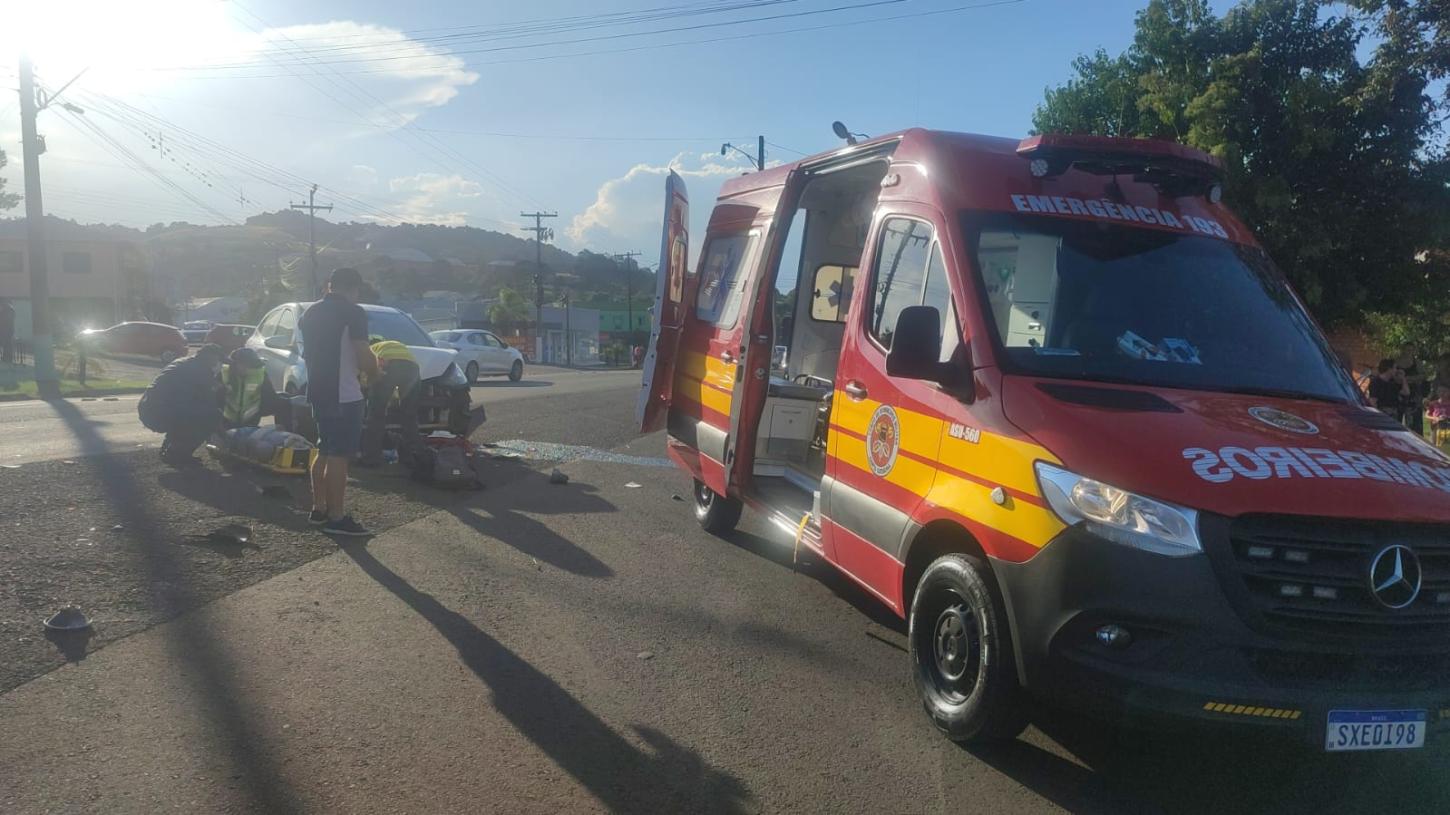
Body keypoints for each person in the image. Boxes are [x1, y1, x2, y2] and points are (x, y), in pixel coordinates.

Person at [298, 268, 378, 537]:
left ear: (330, 285)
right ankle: (337, 517)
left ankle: (319, 508)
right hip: (344, 393)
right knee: (338, 456)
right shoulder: (352, 312)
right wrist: (375, 373)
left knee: (324, 448)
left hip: (318, 390)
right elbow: (363, 353)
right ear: (354, 289)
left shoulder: (310, 313)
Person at [137, 344, 224, 467]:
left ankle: (170, 451)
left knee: (191, 412)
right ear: (211, 358)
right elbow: (209, 401)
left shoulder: (182, 362)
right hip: (161, 412)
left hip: (148, 407)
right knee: (211, 416)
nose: (218, 364)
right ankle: (178, 454)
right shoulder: (202, 371)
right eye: (218, 360)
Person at [359, 334, 420, 467]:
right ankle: (413, 457)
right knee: (409, 416)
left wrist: (367, 393)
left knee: (376, 414)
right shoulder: (393, 345)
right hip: (413, 367)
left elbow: (365, 380)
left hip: (389, 364)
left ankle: (371, 459)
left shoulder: (371, 350)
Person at [219, 347, 287, 429]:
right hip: (225, 421)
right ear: (234, 364)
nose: (246, 368)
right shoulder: (223, 373)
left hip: (251, 421)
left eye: (249, 365)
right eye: (242, 364)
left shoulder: (260, 375)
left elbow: (270, 396)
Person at [1396, 346, 1426, 434]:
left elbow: (1423, 376)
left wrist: (1410, 378)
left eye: (1411, 350)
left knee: (1414, 420)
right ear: (1402, 350)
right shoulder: (1396, 362)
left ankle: (1415, 437)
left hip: (1414, 394)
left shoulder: (1417, 363)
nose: (1409, 351)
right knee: (1397, 417)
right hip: (1399, 393)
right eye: (1407, 349)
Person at [0, 298, 15, 364]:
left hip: (7, 330)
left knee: (7, 344)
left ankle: (7, 358)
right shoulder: (9, 310)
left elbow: (6, 321)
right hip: (7, 330)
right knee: (7, 345)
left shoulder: (7, 310)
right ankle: (7, 358)